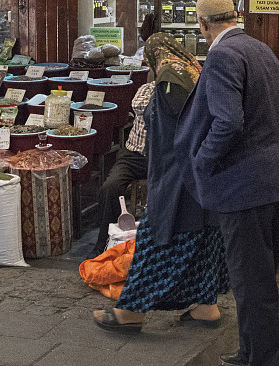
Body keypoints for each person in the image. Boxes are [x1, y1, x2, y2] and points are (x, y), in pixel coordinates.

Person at [175, 0, 279, 366]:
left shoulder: (222, 56)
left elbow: (228, 122)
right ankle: (251, 352)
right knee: (257, 278)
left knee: (250, 280)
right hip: (276, 180)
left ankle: (263, 358)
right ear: (236, 16)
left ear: (203, 25)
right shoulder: (262, 50)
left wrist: (203, 161)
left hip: (244, 186)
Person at [92, 33, 229, 332]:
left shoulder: (170, 78)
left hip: (176, 176)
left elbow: (181, 129)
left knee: (156, 242)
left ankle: (130, 313)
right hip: (198, 177)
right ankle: (206, 308)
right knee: (202, 240)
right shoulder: (193, 71)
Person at [91, 81, 153, 257]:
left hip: (162, 158)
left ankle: (149, 249)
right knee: (110, 187)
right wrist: (166, 98)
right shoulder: (148, 88)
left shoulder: (185, 90)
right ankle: (104, 245)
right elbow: (138, 105)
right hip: (134, 156)